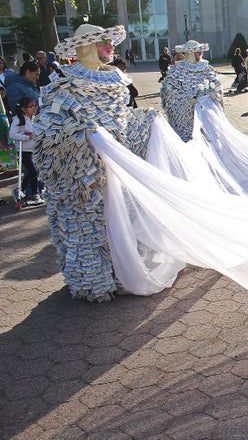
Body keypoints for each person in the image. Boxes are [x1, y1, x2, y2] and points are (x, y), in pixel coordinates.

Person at [33, 23, 157, 302]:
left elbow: (122, 122)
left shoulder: (116, 82)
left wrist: (146, 120)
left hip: (115, 175)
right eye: (104, 42)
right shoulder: (63, 86)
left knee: (121, 224)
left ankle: (122, 274)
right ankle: (94, 284)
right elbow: (46, 134)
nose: (111, 46)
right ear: (87, 46)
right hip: (83, 182)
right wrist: (80, 136)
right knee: (87, 231)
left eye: (111, 41)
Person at [160, 39, 223, 142]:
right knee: (190, 138)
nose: (200, 54)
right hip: (187, 117)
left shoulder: (206, 68)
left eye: (200, 52)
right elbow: (170, 90)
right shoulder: (178, 70)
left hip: (205, 111)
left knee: (209, 137)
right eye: (197, 52)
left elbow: (216, 83)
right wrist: (186, 100)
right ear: (190, 53)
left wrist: (215, 93)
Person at [8, 96, 40, 200]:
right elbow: (12, 134)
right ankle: (20, 190)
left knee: (36, 171)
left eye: (35, 106)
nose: (34, 108)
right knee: (33, 171)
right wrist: (26, 137)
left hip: (34, 149)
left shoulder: (34, 119)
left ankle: (35, 193)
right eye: (31, 106)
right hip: (24, 150)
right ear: (23, 108)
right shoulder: (18, 119)